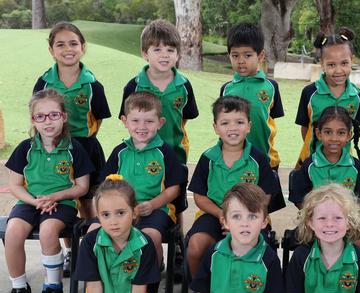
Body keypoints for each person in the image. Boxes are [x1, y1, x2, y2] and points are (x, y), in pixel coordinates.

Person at [166, 183, 285, 293]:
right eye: (236, 216)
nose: (244, 223)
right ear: (225, 222)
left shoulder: (268, 258)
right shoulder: (215, 252)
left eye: (252, 216)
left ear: (264, 221)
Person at [52, 176, 166, 293]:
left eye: (120, 213)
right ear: (98, 216)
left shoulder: (144, 244)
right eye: (105, 215)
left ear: (134, 212)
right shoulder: (90, 242)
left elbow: (139, 290)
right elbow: (94, 287)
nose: (113, 221)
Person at [3, 89, 92, 293]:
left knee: (48, 231)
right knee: (12, 233)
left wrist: (55, 196)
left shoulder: (74, 148)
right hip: (30, 201)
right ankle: (19, 289)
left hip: (62, 202)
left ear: (63, 116)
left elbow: (82, 187)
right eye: (40, 117)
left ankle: (52, 290)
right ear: (33, 120)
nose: (48, 121)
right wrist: (35, 201)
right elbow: (14, 185)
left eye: (53, 115)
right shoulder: (26, 148)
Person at [33, 21, 111, 275]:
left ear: (83, 47)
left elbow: (97, 118)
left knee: (88, 203)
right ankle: (69, 253)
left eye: (73, 43)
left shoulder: (92, 85)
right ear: (51, 50)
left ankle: (87, 249)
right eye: (61, 44)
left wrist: (81, 142)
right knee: (64, 200)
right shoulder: (44, 83)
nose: (68, 49)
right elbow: (38, 113)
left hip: (85, 147)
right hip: (55, 149)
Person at [185, 96, 280, 276]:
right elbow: (199, 196)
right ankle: (201, 288)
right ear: (216, 127)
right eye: (225, 123)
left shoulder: (258, 158)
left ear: (249, 126)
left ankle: (251, 291)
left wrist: (242, 218)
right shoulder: (208, 158)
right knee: (196, 246)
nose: (233, 128)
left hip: (250, 217)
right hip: (214, 215)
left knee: (255, 250)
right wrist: (222, 215)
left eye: (239, 122)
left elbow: (266, 195)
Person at [289, 105, 360, 251]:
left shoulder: (355, 166)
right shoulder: (309, 165)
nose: (334, 138)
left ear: (349, 135)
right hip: (315, 222)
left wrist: (345, 220)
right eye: (328, 132)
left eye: (341, 133)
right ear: (319, 133)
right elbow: (300, 201)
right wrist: (319, 218)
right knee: (303, 247)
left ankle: (353, 274)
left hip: (348, 222)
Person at [120, 19, 199, 164]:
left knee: (175, 186)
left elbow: (184, 118)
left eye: (170, 50)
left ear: (177, 54)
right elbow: (127, 119)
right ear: (145, 54)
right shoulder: (133, 86)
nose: (165, 55)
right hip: (142, 154)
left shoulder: (185, 86)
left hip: (176, 154)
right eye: (157, 50)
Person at [294, 27, 360, 169]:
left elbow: (353, 130)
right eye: (331, 65)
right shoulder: (309, 93)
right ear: (322, 64)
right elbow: (305, 128)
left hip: (343, 165)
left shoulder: (357, 96)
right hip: (312, 163)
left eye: (344, 63)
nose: (338, 70)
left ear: (352, 60)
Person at [220, 22, 285, 169]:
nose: (241, 61)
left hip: (266, 161)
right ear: (229, 55)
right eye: (235, 55)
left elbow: (270, 120)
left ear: (260, 55)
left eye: (247, 55)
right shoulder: (226, 89)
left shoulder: (271, 87)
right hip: (233, 162)